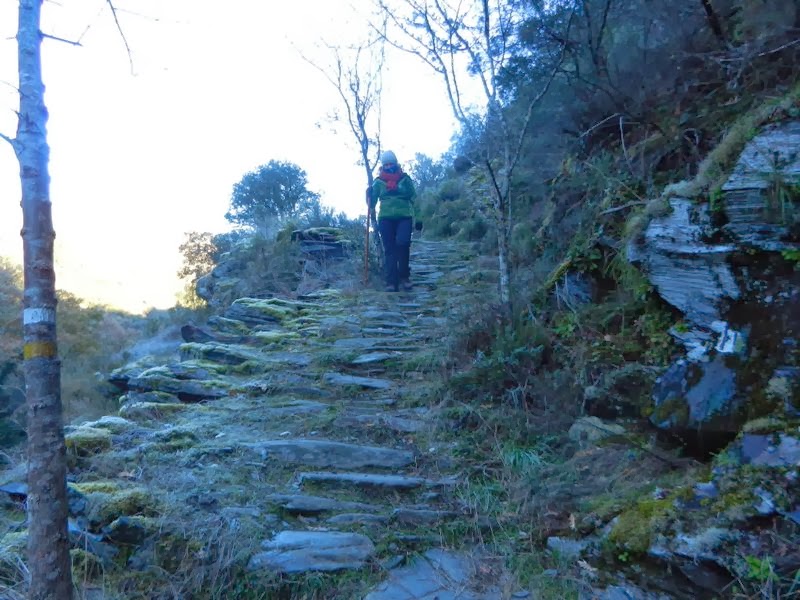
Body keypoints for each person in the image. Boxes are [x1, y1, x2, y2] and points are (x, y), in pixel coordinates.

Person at [368, 150, 417, 292]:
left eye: (391, 164)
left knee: (403, 244)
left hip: (404, 216)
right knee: (389, 249)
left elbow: (414, 197)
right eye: (386, 164)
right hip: (385, 218)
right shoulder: (378, 182)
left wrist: (418, 217)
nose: (389, 166)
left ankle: (404, 277)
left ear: (396, 163)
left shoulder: (405, 179)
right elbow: (372, 204)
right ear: (383, 166)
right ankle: (391, 282)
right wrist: (368, 195)